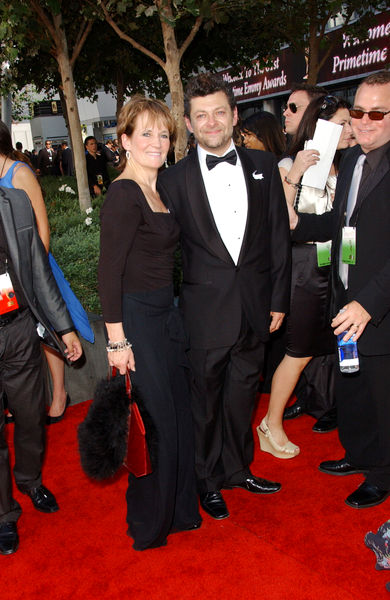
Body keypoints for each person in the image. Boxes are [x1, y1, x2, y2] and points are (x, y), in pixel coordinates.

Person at [158, 73, 291, 520]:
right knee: (205, 403)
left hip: (255, 309)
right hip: (204, 313)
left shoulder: (264, 166)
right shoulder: (171, 181)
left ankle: (239, 469)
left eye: (219, 112)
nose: (211, 122)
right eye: (201, 115)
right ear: (190, 125)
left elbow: (277, 240)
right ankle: (207, 478)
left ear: (234, 116)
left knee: (241, 397)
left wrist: (278, 300)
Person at [98, 96, 200, 551]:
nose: (157, 142)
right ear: (124, 141)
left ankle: (179, 511)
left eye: (163, 134)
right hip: (137, 323)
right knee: (155, 423)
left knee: (179, 417)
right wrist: (117, 343)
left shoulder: (157, 190)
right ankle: (150, 521)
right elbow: (108, 273)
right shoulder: (123, 194)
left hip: (167, 318)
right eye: (145, 134)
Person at [289, 70, 390, 508]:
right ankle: (361, 455)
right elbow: (340, 224)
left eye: (376, 113)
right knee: (354, 387)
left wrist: (369, 302)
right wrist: (297, 225)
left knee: (383, 397)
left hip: (379, 308)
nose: (364, 122)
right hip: (345, 299)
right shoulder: (352, 161)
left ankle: (383, 474)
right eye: (359, 113)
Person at [257, 95, 354, 459]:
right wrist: (295, 174)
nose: (350, 129)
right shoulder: (290, 164)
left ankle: (330, 408)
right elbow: (281, 223)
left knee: (326, 347)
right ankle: (270, 423)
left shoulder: (348, 165)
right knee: (297, 353)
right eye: (343, 122)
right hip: (303, 269)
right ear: (321, 126)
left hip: (337, 266)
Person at [0, 182, 82, 555]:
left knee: (32, 414)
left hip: (17, 326)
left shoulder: (15, 202)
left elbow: (38, 270)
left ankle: (30, 479)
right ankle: (4, 514)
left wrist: (64, 327)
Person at [0, 123, 71, 425]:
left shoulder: (19, 173)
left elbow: (42, 227)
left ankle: (59, 395)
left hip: (32, 268)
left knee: (47, 331)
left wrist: (33, 271)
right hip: (6, 279)